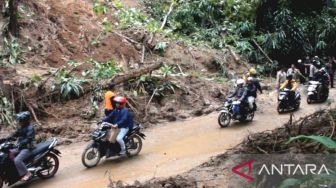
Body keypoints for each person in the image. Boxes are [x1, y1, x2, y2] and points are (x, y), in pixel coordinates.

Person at [6, 111, 35, 181]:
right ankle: (19, 169)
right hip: (20, 147)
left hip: (28, 147)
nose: (19, 122)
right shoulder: (22, 127)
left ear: (24, 121)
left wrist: (21, 143)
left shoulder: (30, 128)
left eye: (20, 120)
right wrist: (7, 138)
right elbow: (15, 134)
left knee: (17, 160)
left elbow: (29, 139)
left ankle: (28, 173)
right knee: (9, 153)